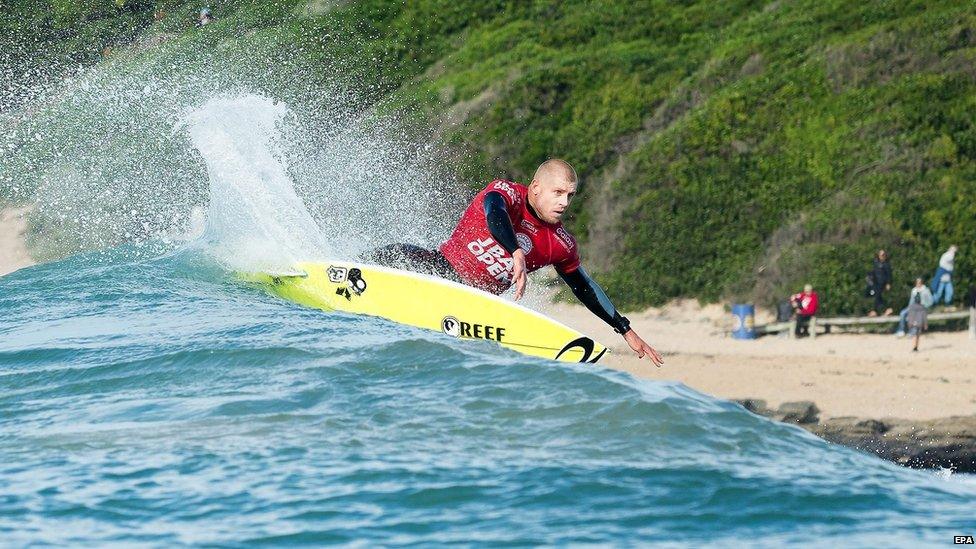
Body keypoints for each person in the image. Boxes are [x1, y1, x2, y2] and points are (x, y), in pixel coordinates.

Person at [362, 159, 664, 366]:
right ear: (535, 188)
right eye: (557, 193)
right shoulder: (508, 194)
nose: (564, 202)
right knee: (400, 254)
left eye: (569, 196)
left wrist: (624, 328)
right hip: (440, 269)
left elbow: (584, 287)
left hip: (476, 304)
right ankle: (349, 269)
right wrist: (515, 250)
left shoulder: (560, 243)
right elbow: (494, 213)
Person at [866, 249, 892, 316]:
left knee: (877, 296)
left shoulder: (886, 264)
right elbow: (873, 272)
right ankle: (887, 309)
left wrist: (888, 283)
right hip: (876, 282)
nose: (882, 256)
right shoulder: (876, 263)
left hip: (882, 282)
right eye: (881, 255)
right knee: (878, 296)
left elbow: (889, 274)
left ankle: (875, 311)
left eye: (883, 255)